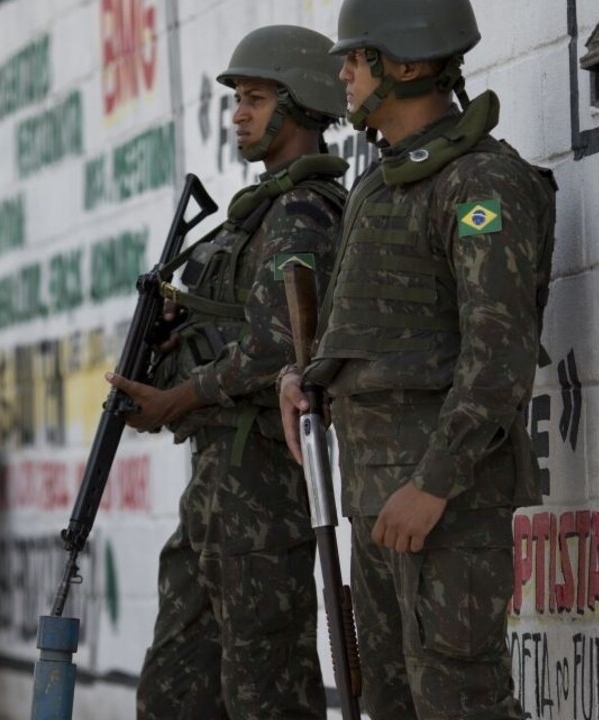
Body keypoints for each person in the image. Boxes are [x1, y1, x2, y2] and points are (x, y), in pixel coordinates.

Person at [277, 1, 558, 717]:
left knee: (459, 701)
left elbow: (498, 355)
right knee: (391, 703)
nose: (342, 74)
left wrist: (434, 483)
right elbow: (363, 337)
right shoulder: (378, 186)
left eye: (356, 58)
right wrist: (300, 381)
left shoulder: (480, 183)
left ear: (404, 64)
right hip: (374, 497)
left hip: (444, 502)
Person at [105, 25, 349, 720]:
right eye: (237, 99)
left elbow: (278, 344)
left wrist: (178, 398)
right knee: (176, 691)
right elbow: (232, 322)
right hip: (218, 483)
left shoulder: (302, 213)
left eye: (255, 99)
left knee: (265, 693)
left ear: (299, 104)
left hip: (261, 485)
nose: (238, 114)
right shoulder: (259, 212)